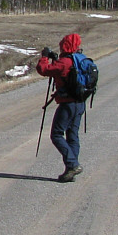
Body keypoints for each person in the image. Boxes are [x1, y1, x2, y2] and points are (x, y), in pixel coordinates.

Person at [36, 33, 85, 183]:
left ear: (65, 45)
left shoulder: (65, 62)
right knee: (72, 135)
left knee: (56, 134)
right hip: (80, 103)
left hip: (68, 103)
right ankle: (71, 169)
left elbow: (43, 69)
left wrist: (44, 57)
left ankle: (73, 164)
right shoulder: (81, 59)